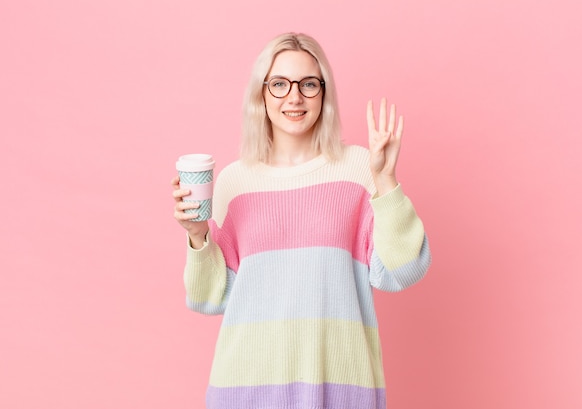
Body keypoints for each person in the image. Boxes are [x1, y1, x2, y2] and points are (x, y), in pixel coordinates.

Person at [171, 32, 431, 409]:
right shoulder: (232, 181)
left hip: (340, 391)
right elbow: (208, 297)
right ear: (261, 94)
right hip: (246, 391)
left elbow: (404, 270)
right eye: (279, 84)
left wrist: (387, 181)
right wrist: (198, 236)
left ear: (324, 93)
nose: (294, 97)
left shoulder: (359, 169)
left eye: (309, 84)